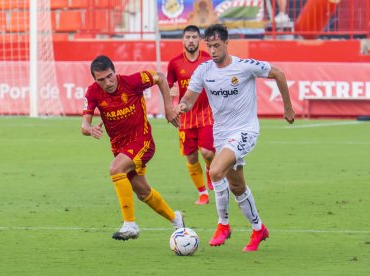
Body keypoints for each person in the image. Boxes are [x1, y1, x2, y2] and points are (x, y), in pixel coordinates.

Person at [174, 24, 295, 252]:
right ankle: (259, 229)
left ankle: (223, 225)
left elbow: (278, 73)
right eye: (209, 46)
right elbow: (189, 99)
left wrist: (287, 108)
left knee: (215, 171)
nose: (212, 50)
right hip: (222, 134)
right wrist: (181, 106)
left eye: (217, 45)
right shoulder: (203, 70)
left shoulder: (245, 67)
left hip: (245, 130)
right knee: (237, 186)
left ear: (227, 44)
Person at [82, 55, 184, 241]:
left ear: (115, 71)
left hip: (142, 142)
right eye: (101, 79)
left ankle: (130, 224)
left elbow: (160, 77)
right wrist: (89, 130)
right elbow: (84, 125)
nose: (108, 82)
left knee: (115, 169)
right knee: (143, 192)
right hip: (120, 148)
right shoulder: (93, 92)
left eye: (110, 76)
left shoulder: (132, 82)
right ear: (95, 80)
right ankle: (175, 218)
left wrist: (168, 108)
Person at [167, 25, 215, 205]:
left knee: (208, 152)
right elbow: (168, 86)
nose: (191, 40)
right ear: (183, 40)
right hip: (185, 117)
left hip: (206, 114)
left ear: (199, 40)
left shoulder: (208, 60)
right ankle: (202, 193)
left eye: (194, 37)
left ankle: (211, 171)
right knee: (192, 157)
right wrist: (171, 105)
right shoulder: (174, 63)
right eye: (188, 37)